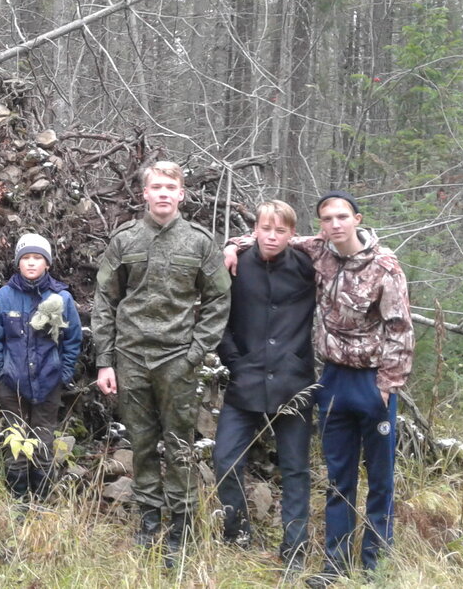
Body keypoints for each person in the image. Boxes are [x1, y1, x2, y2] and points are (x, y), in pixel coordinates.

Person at [224, 191, 413, 585]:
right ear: (321, 225)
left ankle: (375, 566)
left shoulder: (385, 265)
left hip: (373, 381)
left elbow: (400, 329)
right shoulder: (320, 251)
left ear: (357, 219)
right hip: (331, 379)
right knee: (338, 476)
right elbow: (274, 237)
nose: (335, 224)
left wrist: (388, 385)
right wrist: (234, 242)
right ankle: (336, 566)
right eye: (327, 218)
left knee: (380, 477)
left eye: (342, 217)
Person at [93, 160, 230, 565]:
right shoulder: (125, 239)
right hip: (131, 357)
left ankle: (181, 528)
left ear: (182, 194)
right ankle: (149, 522)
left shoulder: (200, 242)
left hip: (178, 360)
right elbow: (105, 300)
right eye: (157, 186)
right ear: (145, 194)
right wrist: (105, 360)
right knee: (142, 444)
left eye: (172, 186)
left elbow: (219, 299)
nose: (164, 193)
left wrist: (196, 351)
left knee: (180, 444)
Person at [212, 200, 316, 574]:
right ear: (254, 229)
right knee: (225, 459)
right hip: (246, 380)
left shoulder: (308, 265)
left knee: (295, 468)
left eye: (281, 230)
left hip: (294, 383)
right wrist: (234, 361)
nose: (272, 237)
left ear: (293, 234)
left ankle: (294, 548)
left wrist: (299, 361)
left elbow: (343, 245)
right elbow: (217, 316)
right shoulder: (236, 265)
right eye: (265, 228)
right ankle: (237, 534)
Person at [0, 233, 82, 500]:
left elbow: (73, 339)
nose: (31, 263)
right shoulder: (5, 296)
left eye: (37, 258)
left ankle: (41, 501)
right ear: (18, 263)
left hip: (48, 383)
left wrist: (63, 373)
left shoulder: (62, 298)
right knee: (15, 443)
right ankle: (17, 503)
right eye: (26, 258)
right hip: (11, 384)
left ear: (47, 264)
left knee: (42, 444)